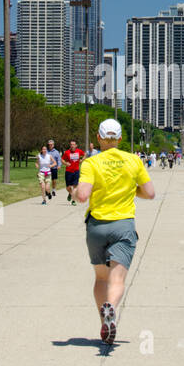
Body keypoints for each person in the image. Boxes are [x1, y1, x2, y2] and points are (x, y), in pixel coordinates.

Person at [76, 118, 155, 345]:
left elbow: (82, 196)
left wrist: (73, 193)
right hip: (123, 225)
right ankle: (112, 307)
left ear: (99, 138)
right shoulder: (133, 161)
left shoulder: (91, 163)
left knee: (101, 277)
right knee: (117, 278)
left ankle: (104, 320)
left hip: (97, 226)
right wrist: (132, 191)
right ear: (120, 139)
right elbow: (150, 193)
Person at [61, 138, 85, 205]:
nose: (72, 146)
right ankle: (71, 194)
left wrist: (82, 160)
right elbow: (62, 159)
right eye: (71, 144)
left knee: (75, 186)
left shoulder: (79, 151)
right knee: (68, 187)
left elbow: (85, 154)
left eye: (73, 144)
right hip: (68, 172)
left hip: (76, 171)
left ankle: (73, 200)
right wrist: (66, 163)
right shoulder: (67, 152)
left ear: (76, 145)